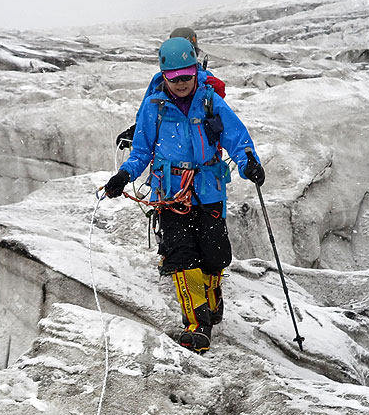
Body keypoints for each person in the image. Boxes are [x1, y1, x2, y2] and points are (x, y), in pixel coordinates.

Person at [103, 36, 265, 353]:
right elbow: (140, 153)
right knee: (181, 256)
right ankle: (196, 324)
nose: (181, 83)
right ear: (164, 75)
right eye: (174, 77)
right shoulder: (153, 108)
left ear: (195, 71)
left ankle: (211, 292)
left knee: (215, 255)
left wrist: (249, 164)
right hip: (170, 194)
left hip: (208, 189)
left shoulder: (210, 102)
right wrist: (124, 175)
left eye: (187, 76)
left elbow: (236, 138)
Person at [115, 27, 223, 150]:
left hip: (168, 150)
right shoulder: (208, 79)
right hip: (204, 150)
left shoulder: (160, 79)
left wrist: (136, 131)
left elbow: (147, 112)